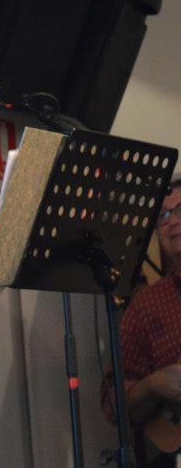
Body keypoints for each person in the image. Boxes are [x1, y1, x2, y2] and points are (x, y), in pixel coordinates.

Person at [102, 178, 181, 467]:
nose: (172, 222)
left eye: (180, 210)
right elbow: (112, 403)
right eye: (163, 216)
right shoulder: (147, 306)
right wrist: (156, 384)